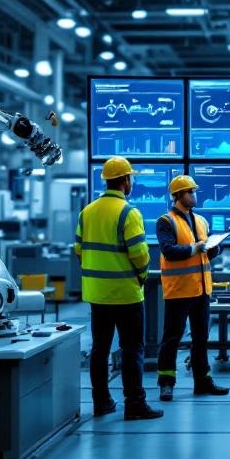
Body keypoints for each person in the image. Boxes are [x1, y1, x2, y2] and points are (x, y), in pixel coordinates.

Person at [74, 156, 163, 421]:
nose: (132, 182)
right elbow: (140, 254)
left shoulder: (87, 211)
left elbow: (79, 249)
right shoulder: (128, 212)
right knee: (132, 349)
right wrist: (141, 275)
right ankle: (135, 403)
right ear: (125, 181)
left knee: (100, 349)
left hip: (97, 294)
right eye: (131, 178)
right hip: (125, 294)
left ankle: (101, 402)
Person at [155, 175, 229, 401]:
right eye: (190, 192)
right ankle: (166, 383)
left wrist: (215, 248)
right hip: (179, 290)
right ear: (178, 195)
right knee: (172, 338)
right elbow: (169, 251)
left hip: (201, 290)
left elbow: (204, 253)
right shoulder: (166, 221)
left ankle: (203, 381)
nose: (194, 195)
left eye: (194, 191)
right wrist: (195, 249)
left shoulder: (200, 221)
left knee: (200, 339)